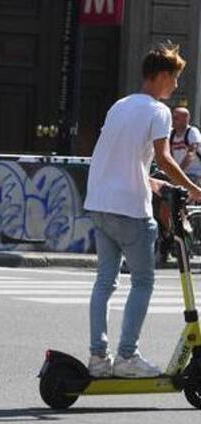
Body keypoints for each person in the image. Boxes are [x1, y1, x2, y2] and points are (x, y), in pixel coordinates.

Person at [84, 42, 201, 378]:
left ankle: (98, 358)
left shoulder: (119, 106)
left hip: (100, 204)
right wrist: (193, 189)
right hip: (129, 210)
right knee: (144, 281)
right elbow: (164, 157)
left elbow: (120, 158)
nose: (177, 85)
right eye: (175, 78)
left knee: (104, 282)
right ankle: (127, 357)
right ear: (162, 75)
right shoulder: (157, 111)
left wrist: (150, 182)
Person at [169, 106, 201, 183]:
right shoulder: (171, 133)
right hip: (181, 173)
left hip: (196, 173)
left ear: (186, 119)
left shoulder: (192, 131)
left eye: (176, 118)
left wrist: (178, 172)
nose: (172, 120)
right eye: (172, 117)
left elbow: (191, 154)